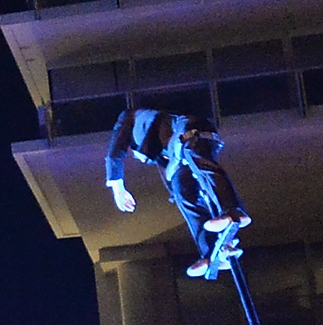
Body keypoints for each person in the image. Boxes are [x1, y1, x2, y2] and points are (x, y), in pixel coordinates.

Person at [104, 107, 250, 279]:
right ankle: (210, 251)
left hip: (192, 131)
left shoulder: (130, 117)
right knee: (183, 194)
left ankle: (233, 211)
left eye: (138, 155)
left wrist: (117, 187)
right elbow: (171, 181)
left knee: (196, 157)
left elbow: (115, 152)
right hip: (180, 152)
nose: (140, 159)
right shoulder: (163, 155)